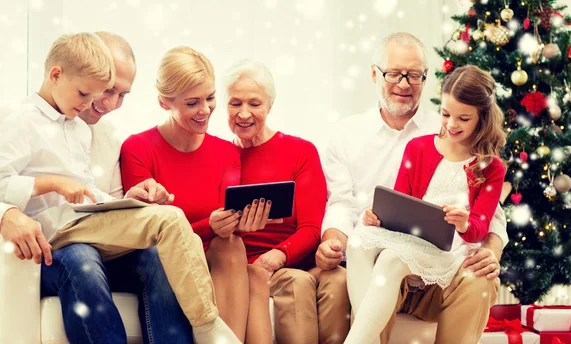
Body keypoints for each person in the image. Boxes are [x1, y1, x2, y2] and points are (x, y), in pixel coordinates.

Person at [0, 33, 240, 344]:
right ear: (56, 75)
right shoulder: (19, 121)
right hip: (53, 232)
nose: (98, 105)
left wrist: (127, 201)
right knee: (166, 220)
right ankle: (207, 326)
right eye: (88, 93)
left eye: (119, 94)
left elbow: (87, 190)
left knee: (159, 240)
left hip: (82, 222)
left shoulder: (78, 128)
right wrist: (51, 184)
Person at [317, 32, 510, 344]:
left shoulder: (450, 131)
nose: (403, 84)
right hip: (381, 252)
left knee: (478, 279)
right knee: (365, 247)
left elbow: (490, 215)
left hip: (440, 258)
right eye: (393, 74)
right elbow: (341, 203)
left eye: (414, 76)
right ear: (374, 74)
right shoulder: (347, 134)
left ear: (425, 77)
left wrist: (491, 249)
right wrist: (338, 237)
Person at [120, 46, 278, 344]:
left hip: (214, 255)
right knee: (224, 244)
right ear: (164, 102)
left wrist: (239, 223)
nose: (205, 110)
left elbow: (225, 220)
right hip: (166, 257)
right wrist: (209, 226)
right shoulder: (137, 148)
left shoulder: (226, 152)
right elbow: (147, 234)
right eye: (192, 102)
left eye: (210, 98)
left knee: (230, 244)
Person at [223, 60, 347, 344]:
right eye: (234, 103)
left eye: (254, 103)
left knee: (338, 279)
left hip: (293, 260)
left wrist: (277, 257)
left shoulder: (300, 152)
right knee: (296, 281)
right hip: (247, 268)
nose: (244, 114)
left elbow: (311, 228)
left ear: (269, 106)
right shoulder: (219, 155)